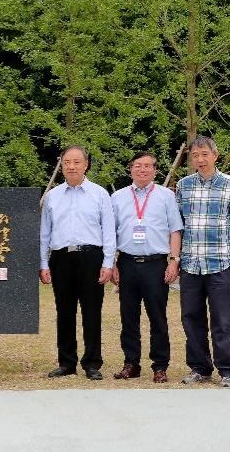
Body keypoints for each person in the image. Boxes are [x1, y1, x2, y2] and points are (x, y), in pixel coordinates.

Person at [176, 136, 230, 388]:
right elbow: (177, 226)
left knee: (222, 319)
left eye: (204, 154)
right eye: (195, 155)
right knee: (191, 318)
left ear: (215, 155)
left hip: (220, 262)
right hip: (190, 264)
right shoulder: (183, 185)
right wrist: (174, 258)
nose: (200, 159)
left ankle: (228, 370)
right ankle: (199, 368)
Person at [39, 145, 116, 380]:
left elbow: (109, 231)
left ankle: (92, 363)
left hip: (91, 257)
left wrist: (108, 263)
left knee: (91, 311)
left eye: (76, 162)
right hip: (61, 258)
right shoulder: (52, 196)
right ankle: (66, 362)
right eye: (67, 163)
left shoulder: (100, 194)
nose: (71, 167)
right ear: (61, 166)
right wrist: (43, 263)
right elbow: (45, 233)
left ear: (86, 164)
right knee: (64, 311)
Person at [109, 152, 183, 383]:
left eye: (148, 166)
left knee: (157, 317)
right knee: (128, 317)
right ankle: (131, 363)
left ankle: (160, 366)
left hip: (156, 264)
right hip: (127, 263)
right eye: (138, 165)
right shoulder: (118, 197)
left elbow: (175, 230)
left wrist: (174, 260)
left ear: (155, 170)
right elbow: (110, 233)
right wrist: (112, 263)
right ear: (130, 168)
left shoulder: (166, 196)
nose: (142, 170)